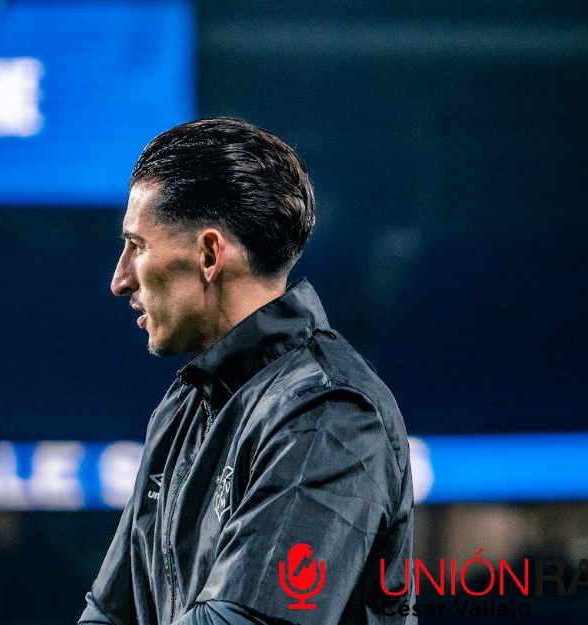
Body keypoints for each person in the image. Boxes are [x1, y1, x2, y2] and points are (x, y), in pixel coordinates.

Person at [79, 118, 415, 625]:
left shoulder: (330, 413)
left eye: (137, 246)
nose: (119, 279)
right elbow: (108, 614)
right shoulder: (181, 408)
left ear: (209, 254)